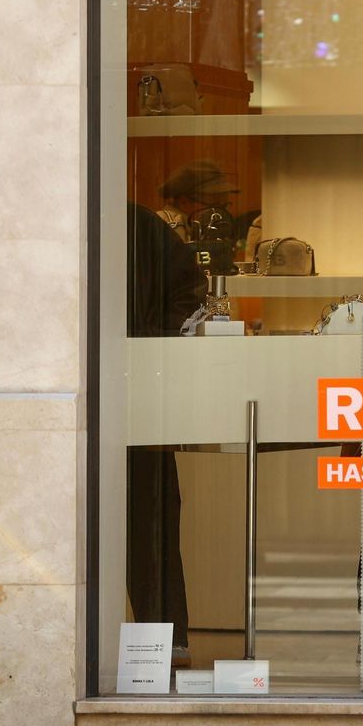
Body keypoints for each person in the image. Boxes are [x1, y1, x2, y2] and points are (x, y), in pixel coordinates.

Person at [125, 202, 207, 668]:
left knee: (150, 523)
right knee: (150, 522)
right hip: (138, 393)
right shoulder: (137, 222)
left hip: (138, 394)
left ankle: (162, 645)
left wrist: (151, 345)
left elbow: (189, 295)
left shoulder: (135, 223)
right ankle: (164, 644)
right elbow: (189, 292)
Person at [156, 160, 239, 241]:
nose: (220, 214)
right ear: (184, 202)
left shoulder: (199, 232)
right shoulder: (165, 234)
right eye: (216, 206)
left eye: (224, 206)